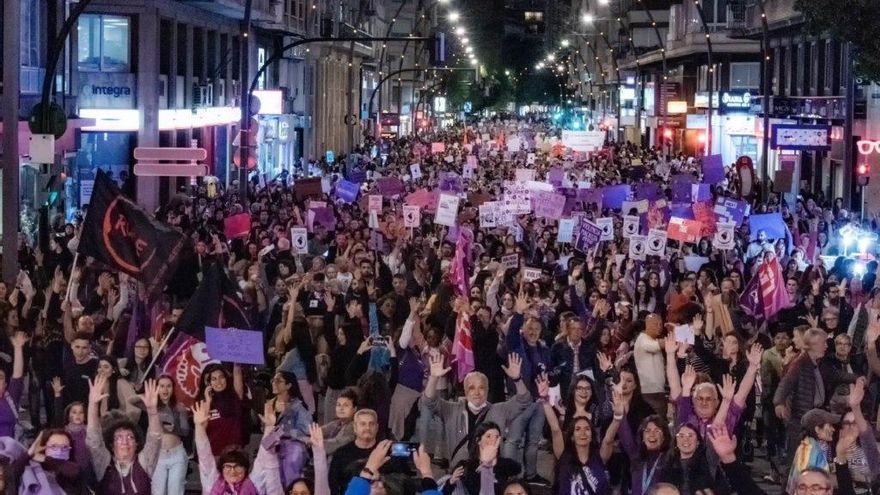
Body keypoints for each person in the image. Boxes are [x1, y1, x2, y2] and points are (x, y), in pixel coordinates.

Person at [422, 353, 530, 468]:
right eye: (472, 388)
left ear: (487, 390)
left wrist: (517, 379)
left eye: (481, 388)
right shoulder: (452, 410)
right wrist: (433, 378)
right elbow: (429, 401)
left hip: (490, 472)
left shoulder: (499, 410)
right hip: (459, 474)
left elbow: (524, 401)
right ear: (465, 391)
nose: (477, 393)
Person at [86, 376, 161, 494]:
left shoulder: (144, 462)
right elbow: (93, 438)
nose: (125, 441)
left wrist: (152, 412)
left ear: (137, 444)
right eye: (118, 438)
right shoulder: (104, 464)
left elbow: (155, 439)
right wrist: (93, 405)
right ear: (111, 445)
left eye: (130, 437)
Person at [192, 399, 284, 494]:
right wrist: (199, 427)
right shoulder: (213, 482)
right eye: (227, 466)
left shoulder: (253, 483)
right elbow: (204, 455)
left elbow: (263, 457)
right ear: (221, 469)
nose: (233, 471)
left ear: (245, 468)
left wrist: (269, 428)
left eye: (238, 466)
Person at [150, 375, 191, 495]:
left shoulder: (179, 407)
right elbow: (133, 400)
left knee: (176, 490)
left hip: (176, 454)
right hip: (158, 454)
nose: (165, 389)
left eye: (168, 386)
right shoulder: (151, 407)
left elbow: (186, 431)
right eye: (161, 386)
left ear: (173, 388)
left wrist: (174, 429)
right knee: (158, 491)